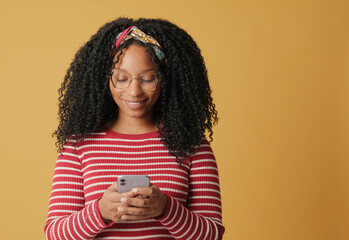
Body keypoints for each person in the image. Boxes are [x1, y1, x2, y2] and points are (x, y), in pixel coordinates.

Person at [44, 17, 225, 240]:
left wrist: (166, 208)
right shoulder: (78, 146)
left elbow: (212, 234)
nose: (134, 91)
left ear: (166, 80)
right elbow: (55, 234)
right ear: (105, 79)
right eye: (121, 78)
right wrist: (100, 211)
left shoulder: (193, 146)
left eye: (148, 78)